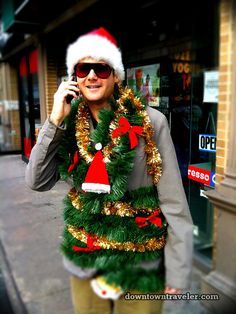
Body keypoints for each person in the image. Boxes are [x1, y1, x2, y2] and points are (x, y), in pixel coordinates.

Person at [25, 27, 193, 314]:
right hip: (86, 260)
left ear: (116, 75)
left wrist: (177, 270)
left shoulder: (151, 122)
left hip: (139, 261)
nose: (91, 75)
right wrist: (53, 120)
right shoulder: (65, 125)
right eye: (83, 68)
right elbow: (37, 181)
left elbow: (173, 200)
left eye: (101, 68)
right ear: (74, 76)